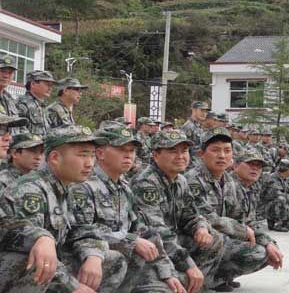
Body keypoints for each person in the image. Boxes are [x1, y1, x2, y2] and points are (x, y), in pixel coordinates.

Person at [0, 125, 127, 292]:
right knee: (35, 261)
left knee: (112, 260)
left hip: (54, 264)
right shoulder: (30, 190)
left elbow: (82, 229)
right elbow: (28, 245)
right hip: (19, 270)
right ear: (55, 157)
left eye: (92, 155)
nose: (89, 163)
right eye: (82, 155)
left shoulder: (69, 187)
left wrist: (93, 255)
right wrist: (72, 286)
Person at [68, 123, 186, 293]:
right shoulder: (83, 186)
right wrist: (130, 240)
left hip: (126, 266)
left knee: (169, 287)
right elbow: (81, 232)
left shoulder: (124, 187)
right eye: (121, 149)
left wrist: (167, 272)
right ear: (100, 153)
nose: (129, 155)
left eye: (132, 150)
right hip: (89, 264)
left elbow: (142, 230)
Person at [130, 129, 225, 292]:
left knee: (213, 238)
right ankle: (182, 282)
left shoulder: (180, 180)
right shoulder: (146, 183)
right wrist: (188, 264)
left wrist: (200, 227)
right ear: (156, 155)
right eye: (173, 151)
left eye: (184, 151)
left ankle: (196, 286)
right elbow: (156, 231)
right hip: (152, 246)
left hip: (172, 241)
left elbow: (192, 214)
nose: (180, 156)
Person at [185, 128, 273, 292]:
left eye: (227, 151)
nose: (222, 156)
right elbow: (204, 217)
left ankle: (216, 279)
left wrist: (268, 242)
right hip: (195, 238)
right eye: (215, 150)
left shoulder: (229, 181)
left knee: (264, 252)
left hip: (219, 239)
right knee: (217, 239)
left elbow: (243, 219)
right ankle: (198, 284)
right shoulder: (192, 180)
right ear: (201, 154)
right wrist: (241, 230)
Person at [17, 70, 57, 136]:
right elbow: (19, 132)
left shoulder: (42, 106)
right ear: (33, 84)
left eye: (51, 85)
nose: (50, 88)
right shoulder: (22, 104)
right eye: (47, 84)